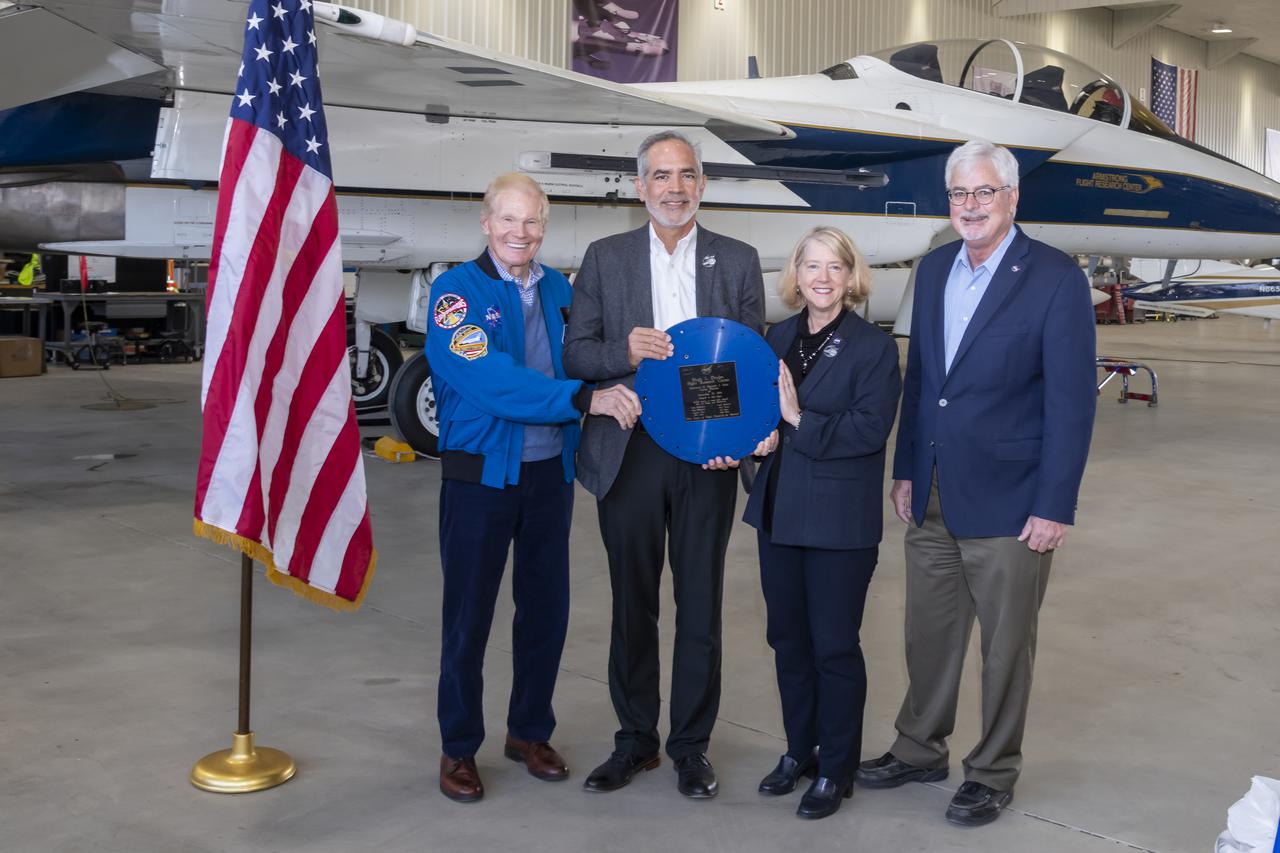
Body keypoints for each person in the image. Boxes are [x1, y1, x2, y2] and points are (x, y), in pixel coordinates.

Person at [856, 140, 1097, 826]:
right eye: (959, 194)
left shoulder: (1053, 277)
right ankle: (918, 747)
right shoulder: (933, 270)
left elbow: (1073, 403)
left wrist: (1055, 503)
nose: (970, 206)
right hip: (932, 490)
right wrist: (905, 467)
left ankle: (992, 769)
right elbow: (923, 379)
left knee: (1004, 647)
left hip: (1013, 501)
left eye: (983, 192)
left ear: (1012, 198)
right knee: (927, 633)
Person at [426, 172, 641, 803]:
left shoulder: (557, 287)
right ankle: (458, 746)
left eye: (533, 222)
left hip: (550, 475)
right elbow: (491, 380)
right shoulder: (455, 293)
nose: (521, 233)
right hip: (481, 478)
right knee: (469, 617)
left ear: (544, 227)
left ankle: (529, 733)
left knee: (545, 612)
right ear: (486, 223)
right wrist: (580, 398)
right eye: (509, 220)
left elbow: (586, 354)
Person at [564, 129, 765, 799]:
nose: (674, 188)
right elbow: (576, 354)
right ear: (640, 185)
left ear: (702, 185)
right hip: (633, 449)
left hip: (708, 455)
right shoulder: (604, 257)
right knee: (633, 602)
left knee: (700, 602)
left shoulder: (737, 260)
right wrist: (622, 351)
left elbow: (753, 362)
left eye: (686, 176)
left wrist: (743, 431)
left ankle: (690, 746)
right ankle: (634, 739)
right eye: (660, 176)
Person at [742, 226, 901, 820]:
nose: (823, 277)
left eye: (835, 266)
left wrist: (795, 418)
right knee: (788, 642)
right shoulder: (775, 337)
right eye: (812, 265)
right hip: (779, 514)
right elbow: (761, 418)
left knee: (834, 647)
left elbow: (867, 432)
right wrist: (757, 440)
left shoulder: (873, 348)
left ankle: (836, 767)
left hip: (839, 524)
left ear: (851, 275)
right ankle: (798, 751)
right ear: (797, 274)